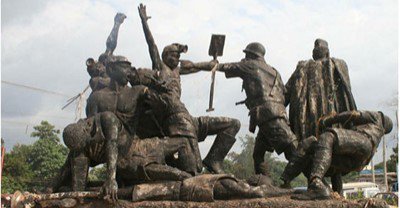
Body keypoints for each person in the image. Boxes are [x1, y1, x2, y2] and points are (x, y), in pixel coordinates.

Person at [138, 3, 240, 174]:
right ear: (164, 56)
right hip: (173, 120)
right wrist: (144, 22)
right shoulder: (160, 67)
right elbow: (151, 45)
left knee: (233, 124)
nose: (176, 58)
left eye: (178, 56)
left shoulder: (178, 70)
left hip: (187, 118)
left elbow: (196, 66)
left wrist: (212, 64)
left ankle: (214, 159)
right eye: (173, 55)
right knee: (195, 169)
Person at [281, 38, 358, 187]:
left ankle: (323, 187)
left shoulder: (312, 66)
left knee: (320, 153)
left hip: (320, 121)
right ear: (327, 52)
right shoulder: (326, 65)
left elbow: (285, 93)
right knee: (325, 153)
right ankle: (322, 187)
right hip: (321, 121)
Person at [291, 110, 393, 200]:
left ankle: (316, 183)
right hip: (360, 161)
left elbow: (354, 114)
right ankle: (335, 193)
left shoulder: (378, 117)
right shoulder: (378, 134)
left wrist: (328, 120)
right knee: (322, 155)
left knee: (327, 137)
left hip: (364, 141)